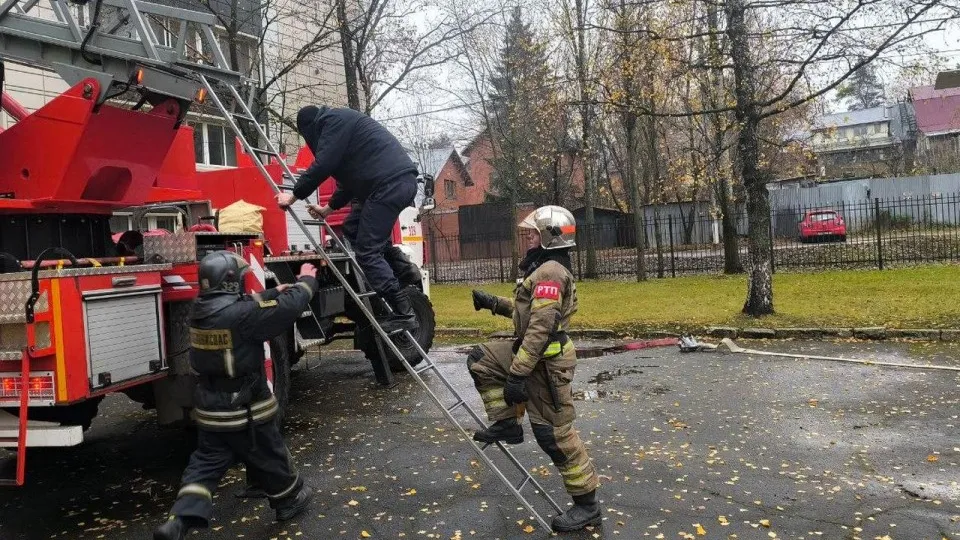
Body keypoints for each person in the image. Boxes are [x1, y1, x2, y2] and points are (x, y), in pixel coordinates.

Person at [153, 252, 319, 540]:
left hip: (210, 405)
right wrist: (306, 279)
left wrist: (269, 292)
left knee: (204, 464)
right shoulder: (243, 316)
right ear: (230, 282)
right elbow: (290, 307)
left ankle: (179, 520)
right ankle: (287, 501)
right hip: (244, 405)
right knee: (269, 451)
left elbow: (238, 309)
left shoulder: (200, 310)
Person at [467, 205, 601, 533]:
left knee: (554, 435)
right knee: (480, 359)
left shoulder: (551, 271)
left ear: (550, 237)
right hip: (533, 356)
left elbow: (541, 325)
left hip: (547, 366)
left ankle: (587, 505)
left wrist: (517, 374)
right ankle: (506, 425)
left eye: (533, 232)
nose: (528, 236)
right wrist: (494, 303)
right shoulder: (544, 267)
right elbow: (530, 311)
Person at [274, 105, 419, 333]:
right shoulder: (341, 126)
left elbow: (324, 164)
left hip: (388, 185)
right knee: (353, 227)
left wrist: (293, 196)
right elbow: (349, 182)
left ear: (309, 128)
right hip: (393, 184)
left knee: (367, 251)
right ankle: (402, 268)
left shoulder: (332, 122)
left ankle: (404, 313)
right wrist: (328, 210)